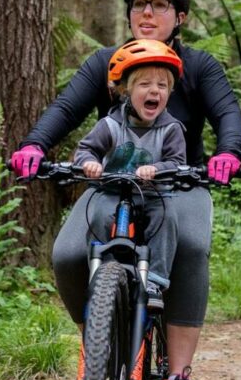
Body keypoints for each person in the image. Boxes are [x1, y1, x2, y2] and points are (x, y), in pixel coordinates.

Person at [10, 0, 241, 380]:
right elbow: (66, 108)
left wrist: (227, 153)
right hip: (114, 184)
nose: (147, 14)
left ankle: (178, 379)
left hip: (180, 183)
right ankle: (96, 350)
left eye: (160, 5)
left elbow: (228, 116)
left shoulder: (198, 66)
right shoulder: (106, 64)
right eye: (139, 4)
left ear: (180, 17)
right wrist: (35, 145)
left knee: (192, 247)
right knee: (67, 255)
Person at [73, 39, 187, 312]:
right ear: (126, 90)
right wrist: (90, 163)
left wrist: (157, 169)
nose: (154, 91)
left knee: (167, 217)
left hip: (154, 194)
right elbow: (85, 149)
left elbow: (177, 162)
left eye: (162, 86)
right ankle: (102, 274)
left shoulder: (171, 129)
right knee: (98, 213)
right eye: (145, 84)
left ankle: (155, 281)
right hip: (112, 191)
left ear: (169, 92)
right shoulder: (110, 125)